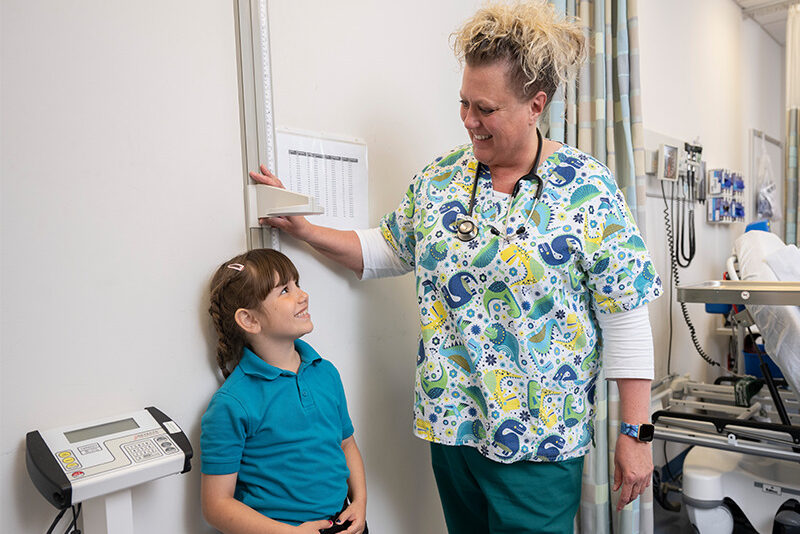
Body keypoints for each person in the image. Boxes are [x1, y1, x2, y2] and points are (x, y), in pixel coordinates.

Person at [250, 1, 661, 532]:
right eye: (464, 103)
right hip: (453, 427)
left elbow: (626, 315)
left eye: (485, 109)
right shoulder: (442, 177)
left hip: (539, 441)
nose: (470, 120)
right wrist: (305, 229)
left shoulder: (586, 188)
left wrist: (636, 433)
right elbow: (388, 249)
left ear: (535, 105)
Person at [200, 248, 367, 534]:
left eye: (297, 284)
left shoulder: (325, 373)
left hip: (343, 523)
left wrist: (360, 502)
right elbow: (216, 506)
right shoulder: (232, 403)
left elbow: (346, 444)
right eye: (285, 291)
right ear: (250, 320)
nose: (302, 295)